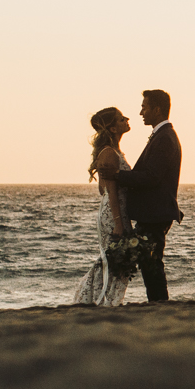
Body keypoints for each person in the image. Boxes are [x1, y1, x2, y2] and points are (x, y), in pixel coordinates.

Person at [107, 88, 185, 304]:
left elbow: (151, 177)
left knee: (152, 262)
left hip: (156, 212)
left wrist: (117, 175)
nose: (141, 112)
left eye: (144, 107)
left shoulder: (165, 138)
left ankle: (160, 304)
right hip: (154, 211)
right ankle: (158, 303)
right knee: (149, 261)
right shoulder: (162, 136)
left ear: (157, 109)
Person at [71, 106, 137, 306]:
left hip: (118, 211)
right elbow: (110, 192)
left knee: (118, 258)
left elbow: (103, 187)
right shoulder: (109, 153)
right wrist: (118, 222)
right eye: (121, 119)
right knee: (113, 258)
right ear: (113, 128)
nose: (127, 119)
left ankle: (107, 299)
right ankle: (99, 300)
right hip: (114, 213)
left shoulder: (115, 151)